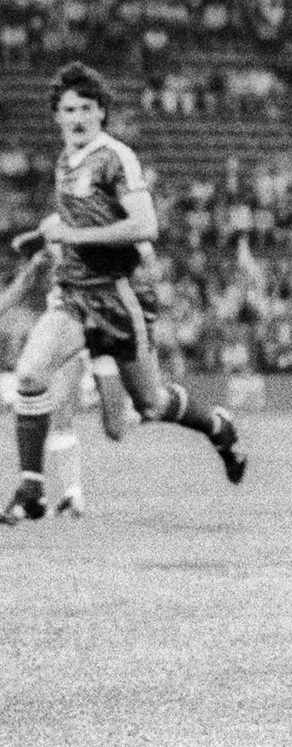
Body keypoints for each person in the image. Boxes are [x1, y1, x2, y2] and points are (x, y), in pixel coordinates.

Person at [8, 63, 245, 523]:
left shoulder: (116, 157)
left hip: (118, 296)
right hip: (74, 294)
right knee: (31, 376)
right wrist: (40, 237)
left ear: (101, 113)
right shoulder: (65, 159)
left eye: (86, 108)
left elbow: (144, 225)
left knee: (151, 403)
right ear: (56, 115)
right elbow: (77, 218)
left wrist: (71, 237)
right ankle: (32, 489)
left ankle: (218, 425)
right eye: (68, 109)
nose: (77, 117)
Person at [1, 245, 133, 521]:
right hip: (66, 332)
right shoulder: (54, 236)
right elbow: (26, 277)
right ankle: (69, 494)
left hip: (103, 330)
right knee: (61, 410)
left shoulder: (108, 234)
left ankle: (55, 494)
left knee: (116, 427)